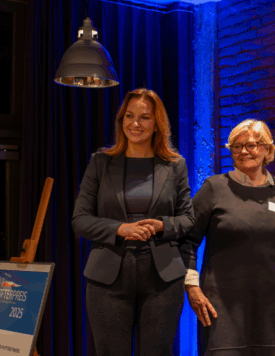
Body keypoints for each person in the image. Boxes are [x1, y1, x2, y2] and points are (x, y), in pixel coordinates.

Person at [71, 88, 194, 355]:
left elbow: (188, 219)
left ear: (157, 124)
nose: (135, 123)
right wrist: (119, 228)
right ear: (121, 120)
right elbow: (80, 220)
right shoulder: (101, 162)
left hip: (162, 279)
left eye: (144, 117)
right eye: (129, 116)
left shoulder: (175, 165)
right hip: (108, 279)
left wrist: (162, 226)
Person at [183, 119, 275, 356]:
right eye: (236, 147)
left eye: (251, 145)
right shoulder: (214, 188)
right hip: (222, 309)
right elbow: (186, 239)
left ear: (267, 149)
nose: (243, 152)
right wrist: (192, 287)